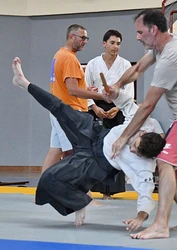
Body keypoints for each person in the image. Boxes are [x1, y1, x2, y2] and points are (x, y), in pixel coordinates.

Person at [12, 57, 166, 231]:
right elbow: (125, 102)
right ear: (143, 133)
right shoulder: (142, 122)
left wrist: (140, 218)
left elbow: (146, 194)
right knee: (60, 108)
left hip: (95, 163)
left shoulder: (145, 165)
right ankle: (23, 82)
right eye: (134, 144)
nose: (130, 149)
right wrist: (113, 93)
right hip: (94, 134)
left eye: (135, 152)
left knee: (50, 179)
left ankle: (79, 202)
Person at [105, 9, 177, 239]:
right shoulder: (162, 44)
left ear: (153, 30)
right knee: (172, 173)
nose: (137, 36)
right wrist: (116, 85)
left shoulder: (171, 57)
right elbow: (137, 69)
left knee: (164, 162)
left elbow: (147, 106)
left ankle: (161, 225)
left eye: (140, 32)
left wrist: (123, 137)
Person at [42, 24, 103, 173]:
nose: (85, 41)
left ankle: (41, 194)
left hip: (59, 111)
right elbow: (72, 89)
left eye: (86, 38)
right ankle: (83, 195)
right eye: (82, 38)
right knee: (77, 154)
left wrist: (85, 89)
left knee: (55, 152)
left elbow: (67, 86)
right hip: (68, 112)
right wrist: (100, 96)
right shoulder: (69, 59)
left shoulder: (59, 55)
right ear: (71, 37)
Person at [85, 29, 135, 199]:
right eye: (112, 43)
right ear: (104, 44)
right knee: (97, 147)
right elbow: (86, 89)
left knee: (116, 147)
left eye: (118, 43)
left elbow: (129, 91)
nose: (116, 47)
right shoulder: (93, 64)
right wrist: (93, 107)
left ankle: (112, 189)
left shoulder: (125, 65)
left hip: (117, 107)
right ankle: (94, 187)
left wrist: (118, 108)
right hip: (97, 107)